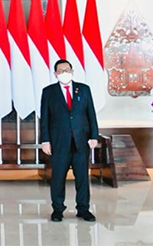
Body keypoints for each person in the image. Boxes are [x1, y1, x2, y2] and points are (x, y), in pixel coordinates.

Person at [40, 59, 99, 222]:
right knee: (58, 177)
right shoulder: (49, 92)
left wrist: (94, 135)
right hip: (59, 142)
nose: (64, 73)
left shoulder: (84, 90)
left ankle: (83, 209)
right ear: (55, 74)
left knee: (82, 178)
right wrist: (45, 140)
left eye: (67, 70)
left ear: (72, 71)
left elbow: (91, 114)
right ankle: (58, 209)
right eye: (60, 71)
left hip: (81, 141)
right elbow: (44, 118)